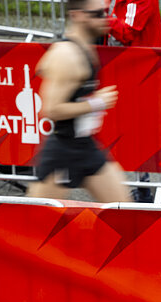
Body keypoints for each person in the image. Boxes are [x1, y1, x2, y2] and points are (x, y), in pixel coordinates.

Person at [28, 0, 132, 203]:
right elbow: (51, 109)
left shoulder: (82, 48)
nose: (106, 19)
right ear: (77, 15)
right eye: (97, 14)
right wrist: (96, 103)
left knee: (125, 215)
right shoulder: (67, 55)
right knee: (37, 227)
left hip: (85, 146)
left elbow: (45, 67)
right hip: (62, 151)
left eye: (105, 12)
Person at [106, 0, 161, 203]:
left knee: (138, 131)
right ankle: (138, 185)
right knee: (125, 129)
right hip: (123, 69)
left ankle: (143, 188)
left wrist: (98, 17)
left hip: (141, 73)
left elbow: (127, 32)